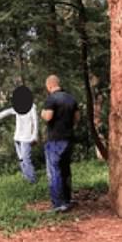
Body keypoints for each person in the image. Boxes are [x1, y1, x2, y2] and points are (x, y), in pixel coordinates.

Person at [41, 75, 80, 212]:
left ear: (49, 86)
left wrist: (42, 113)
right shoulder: (71, 98)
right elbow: (76, 118)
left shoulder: (51, 99)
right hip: (69, 138)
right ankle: (68, 200)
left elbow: (48, 117)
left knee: (54, 171)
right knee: (65, 170)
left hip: (55, 139)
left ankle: (58, 203)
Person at [0, 103, 38, 183]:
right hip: (17, 137)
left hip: (26, 138)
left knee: (26, 159)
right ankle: (26, 178)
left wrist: (34, 137)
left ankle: (33, 180)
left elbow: (35, 122)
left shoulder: (32, 107)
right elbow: (9, 111)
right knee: (21, 159)